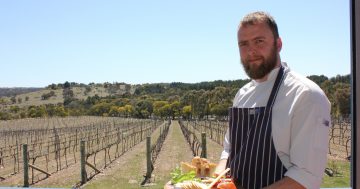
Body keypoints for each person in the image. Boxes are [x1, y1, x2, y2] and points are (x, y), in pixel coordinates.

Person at [214, 11, 331, 189]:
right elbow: (228, 150)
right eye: (243, 44)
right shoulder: (242, 94)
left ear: (278, 44)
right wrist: (214, 181)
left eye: (259, 41)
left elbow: (306, 178)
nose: (251, 51)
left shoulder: (306, 95)